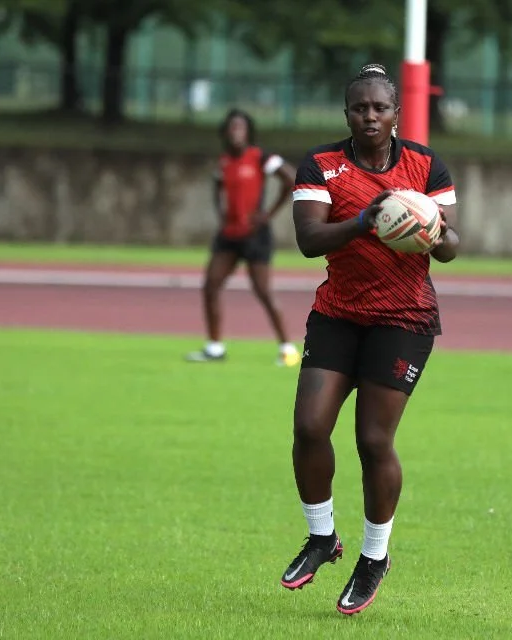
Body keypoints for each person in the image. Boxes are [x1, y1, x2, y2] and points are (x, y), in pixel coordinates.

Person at [278, 63, 461, 616]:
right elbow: (309, 240)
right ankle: (321, 536)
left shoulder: (426, 165)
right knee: (310, 427)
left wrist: (427, 225)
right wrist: (369, 220)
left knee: (373, 442)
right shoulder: (322, 165)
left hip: (403, 319)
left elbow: (451, 247)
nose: (370, 116)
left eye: (380, 107)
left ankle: (374, 556)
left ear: (395, 113)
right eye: (360, 108)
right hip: (338, 312)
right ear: (348, 114)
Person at [185, 108, 301, 366]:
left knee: (263, 291)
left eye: (241, 127)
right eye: (232, 127)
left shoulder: (260, 157)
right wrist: (222, 214)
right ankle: (214, 348)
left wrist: (268, 214)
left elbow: (291, 179)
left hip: (255, 236)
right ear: (225, 132)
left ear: (248, 132)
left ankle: (287, 348)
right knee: (210, 286)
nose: (236, 131)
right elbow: (217, 187)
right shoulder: (224, 161)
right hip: (228, 235)